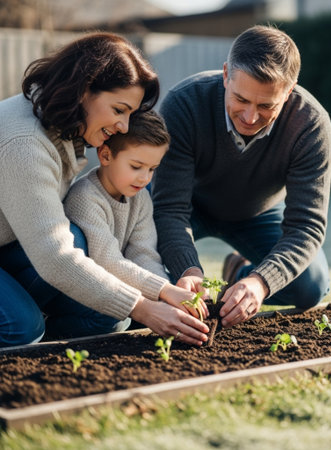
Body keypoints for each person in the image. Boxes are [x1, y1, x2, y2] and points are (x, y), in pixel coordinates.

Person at [0, 32, 209, 348]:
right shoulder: (26, 144)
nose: (124, 127)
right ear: (84, 91)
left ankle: (43, 335)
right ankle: (28, 321)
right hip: (26, 252)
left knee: (104, 314)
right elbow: (54, 256)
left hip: (8, 246)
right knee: (21, 328)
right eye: (119, 109)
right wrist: (142, 307)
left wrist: (159, 292)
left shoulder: (64, 129)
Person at [152, 25, 331, 328]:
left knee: (311, 287)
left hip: (258, 213)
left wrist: (259, 282)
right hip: (189, 208)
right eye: (240, 99)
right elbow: (169, 209)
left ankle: (238, 273)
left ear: (289, 91)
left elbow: (307, 227)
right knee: (150, 277)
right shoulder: (184, 104)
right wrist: (187, 270)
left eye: (266, 106)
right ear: (225, 75)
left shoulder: (311, 126)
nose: (250, 117)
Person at [64, 109, 207, 322]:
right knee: (117, 321)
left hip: (118, 284)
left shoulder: (140, 198)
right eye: (136, 166)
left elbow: (144, 254)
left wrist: (167, 301)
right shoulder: (84, 197)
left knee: (150, 314)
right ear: (105, 155)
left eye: (152, 169)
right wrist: (164, 291)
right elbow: (108, 262)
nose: (145, 178)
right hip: (77, 292)